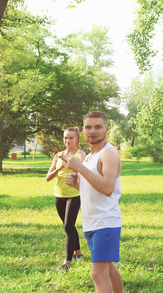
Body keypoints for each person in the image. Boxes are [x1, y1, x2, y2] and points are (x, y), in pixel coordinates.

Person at [62, 111, 123, 293]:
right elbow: (94, 188)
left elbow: (107, 188)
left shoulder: (109, 154)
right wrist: (77, 185)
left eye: (98, 127)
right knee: (108, 269)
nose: (92, 131)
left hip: (105, 223)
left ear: (106, 129)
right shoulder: (89, 157)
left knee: (97, 274)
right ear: (83, 130)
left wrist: (79, 168)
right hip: (92, 223)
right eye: (88, 127)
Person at [45, 127, 86, 272]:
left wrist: (67, 160)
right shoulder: (58, 155)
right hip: (59, 195)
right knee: (69, 226)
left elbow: (80, 169)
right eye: (65, 138)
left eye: (71, 138)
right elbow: (48, 178)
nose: (67, 141)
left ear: (77, 139)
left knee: (68, 226)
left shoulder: (80, 154)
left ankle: (67, 263)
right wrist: (58, 168)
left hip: (74, 194)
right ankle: (78, 253)